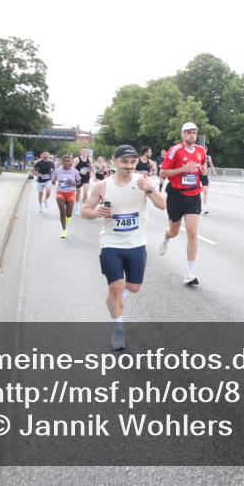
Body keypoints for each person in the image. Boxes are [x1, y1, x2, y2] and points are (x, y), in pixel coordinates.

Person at [82, 144, 166, 350]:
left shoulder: (142, 182)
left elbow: (162, 205)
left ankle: (117, 296)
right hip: (111, 243)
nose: (129, 166)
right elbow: (85, 210)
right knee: (116, 286)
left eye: (133, 162)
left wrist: (150, 188)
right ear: (114, 161)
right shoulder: (102, 186)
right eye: (124, 161)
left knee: (134, 288)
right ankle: (118, 329)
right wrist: (97, 212)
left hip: (136, 242)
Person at [157, 123, 208, 286]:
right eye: (188, 132)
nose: (192, 135)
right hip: (176, 195)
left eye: (194, 132)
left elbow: (203, 165)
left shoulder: (201, 150)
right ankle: (166, 237)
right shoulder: (174, 150)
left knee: (192, 233)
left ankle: (190, 272)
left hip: (194, 194)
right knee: (174, 231)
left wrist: (203, 171)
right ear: (182, 134)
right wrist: (183, 169)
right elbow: (162, 172)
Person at [53, 154, 81, 239]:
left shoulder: (75, 171)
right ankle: (64, 230)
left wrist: (74, 183)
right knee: (62, 211)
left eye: (68, 161)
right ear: (62, 162)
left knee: (69, 213)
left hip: (71, 193)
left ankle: (68, 217)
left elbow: (79, 182)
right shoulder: (57, 171)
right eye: (65, 161)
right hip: (60, 192)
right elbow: (53, 180)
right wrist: (53, 181)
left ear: (71, 162)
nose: (67, 162)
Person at [75, 148, 94, 214]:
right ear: (80, 152)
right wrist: (79, 172)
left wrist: (94, 175)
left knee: (86, 192)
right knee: (78, 192)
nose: (84, 152)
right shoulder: (77, 159)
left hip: (86, 177)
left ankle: (83, 206)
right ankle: (77, 205)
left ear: (87, 153)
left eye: (86, 151)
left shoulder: (89, 159)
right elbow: (72, 168)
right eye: (83, 151)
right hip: (78, 177)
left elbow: (91, 167)